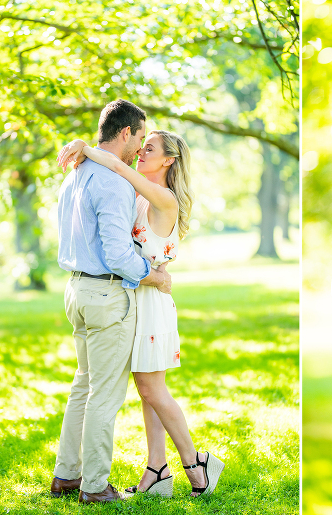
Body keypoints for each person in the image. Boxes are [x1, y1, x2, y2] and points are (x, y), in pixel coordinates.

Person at [56, 130, 225, 497]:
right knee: (146, 389)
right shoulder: (133, 196)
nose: (141, 152)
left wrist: (85, 148)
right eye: (141, 145)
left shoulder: (163, 198)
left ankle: (197, 466)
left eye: (150, 149)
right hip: (132, 294)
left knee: (152, 388)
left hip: (151, 302)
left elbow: (115, 162)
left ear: (168, 160)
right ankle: (157, 468)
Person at [50, 99, 174, 504]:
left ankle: (66, 475)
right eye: (140, 136)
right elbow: (120, 254)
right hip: (106, 294)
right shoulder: (113, 182)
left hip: (76, 290)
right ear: (126, 133)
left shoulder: (76, 173)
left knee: (82, 386)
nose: (140, 147)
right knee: (104, 394)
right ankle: (94, 486)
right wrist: (154, 276)